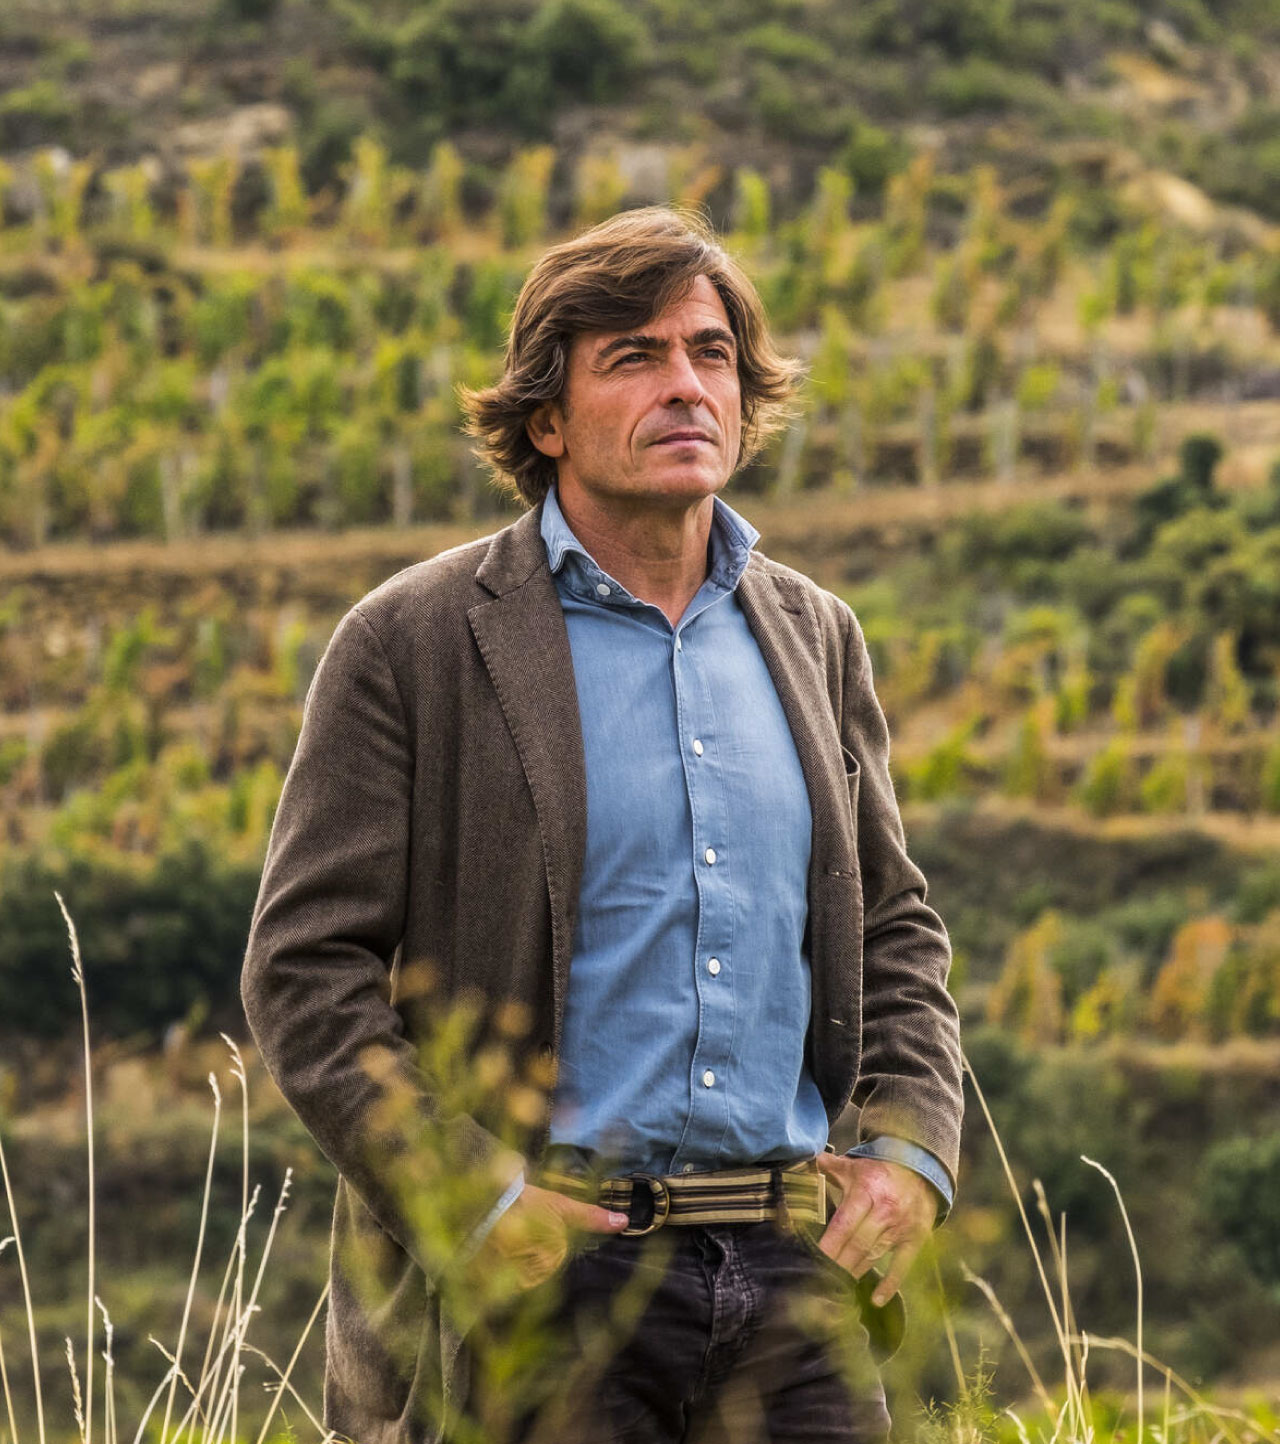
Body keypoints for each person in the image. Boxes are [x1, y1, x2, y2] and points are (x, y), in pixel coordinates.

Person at [241, 205, 963, 1444]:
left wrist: (910, 1155)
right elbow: (305, 972)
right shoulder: (411, 642)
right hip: (540, 1279)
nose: (686, 385)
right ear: (546, 419)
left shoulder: (815, 636)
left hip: (794, 1277)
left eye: (709, 353)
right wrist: (467, 1196)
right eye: (634, 356)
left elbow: (893, 928)